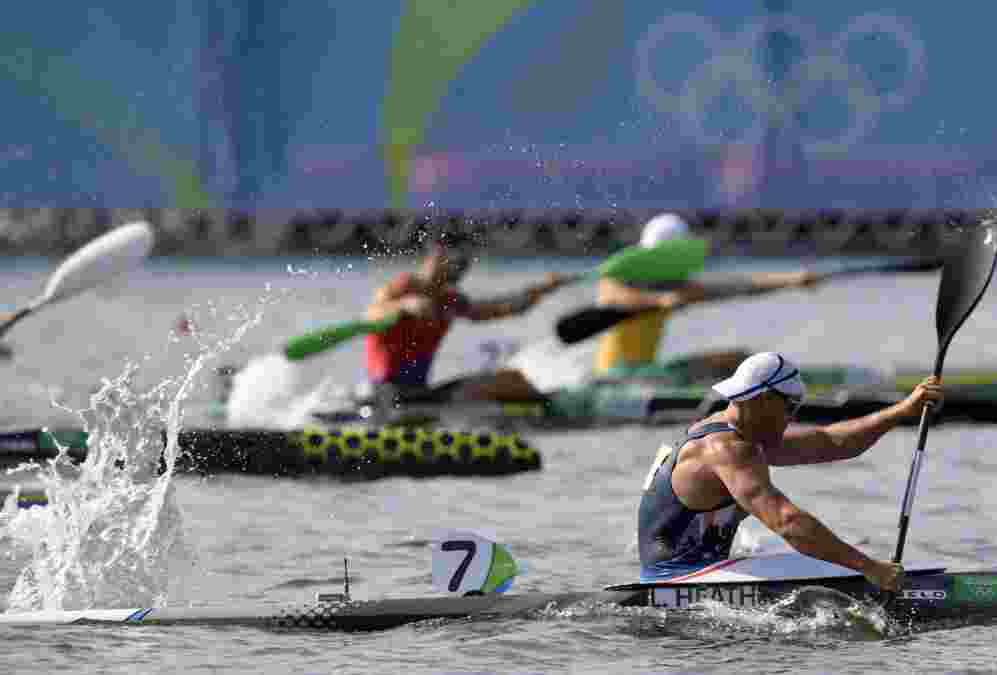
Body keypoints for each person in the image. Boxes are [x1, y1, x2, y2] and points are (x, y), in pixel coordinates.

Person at [637, 351, 944, 591]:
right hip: (676, 581)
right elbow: (787, 522)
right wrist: (869, 568)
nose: (792, 416)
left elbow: (832, 442)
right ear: (763, 399)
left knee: (835, 556)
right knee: (841, 562)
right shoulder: (726, 450)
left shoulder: (742, 433)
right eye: (791, 406)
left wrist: (903, 410)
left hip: (701, 572)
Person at [594, 213, 823, 382]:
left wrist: (792, 280)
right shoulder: (617, 280)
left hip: (647, 370)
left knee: (737, 359)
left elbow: (736, 286)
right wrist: (658, 301)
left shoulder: (674, 287)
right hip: (614, 374)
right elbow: (614, 299)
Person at [364, 233, 568, 403]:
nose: (465, 266)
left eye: (467, 260)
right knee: (505, 384)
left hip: (420, 393)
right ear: (438, 253)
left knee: (513, 380)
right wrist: (404, 305)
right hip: (387, 394)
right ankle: (551, 410)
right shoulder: (404, 287)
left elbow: (504, 308)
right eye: (460, 259)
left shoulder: (449, 300)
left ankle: (545, 406)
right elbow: (372, 314)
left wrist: (545, 289)